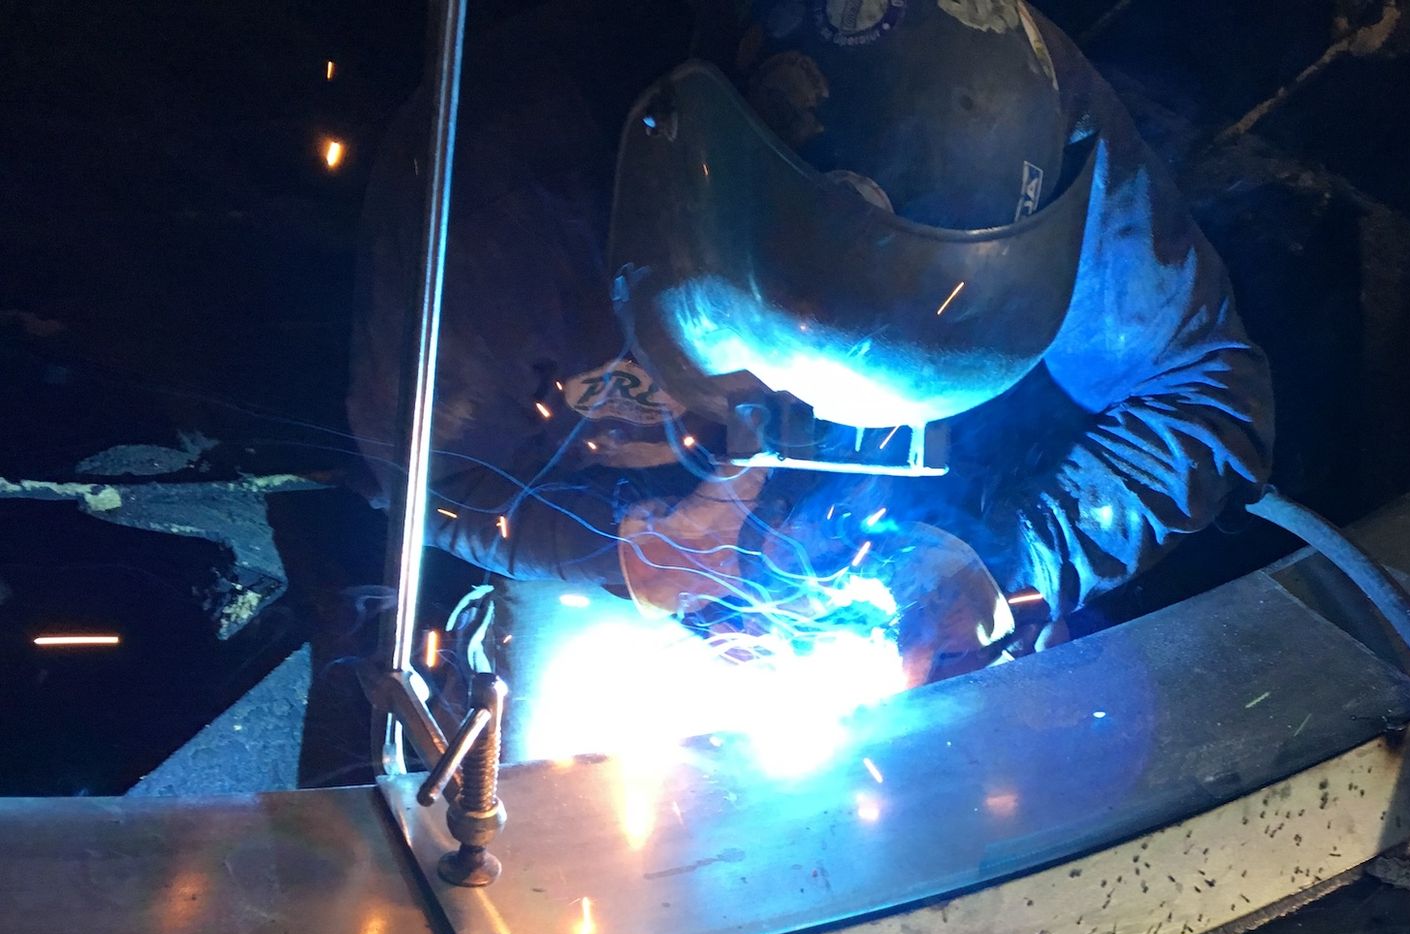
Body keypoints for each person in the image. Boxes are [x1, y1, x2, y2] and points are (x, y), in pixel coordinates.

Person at [349, 0, 1273, 683]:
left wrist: (1005, 559)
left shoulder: (1032, 123)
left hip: (924, 517)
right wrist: (620, 550)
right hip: (623, 513)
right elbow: (424, 482)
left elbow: (1206, 394)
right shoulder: (492, 209)